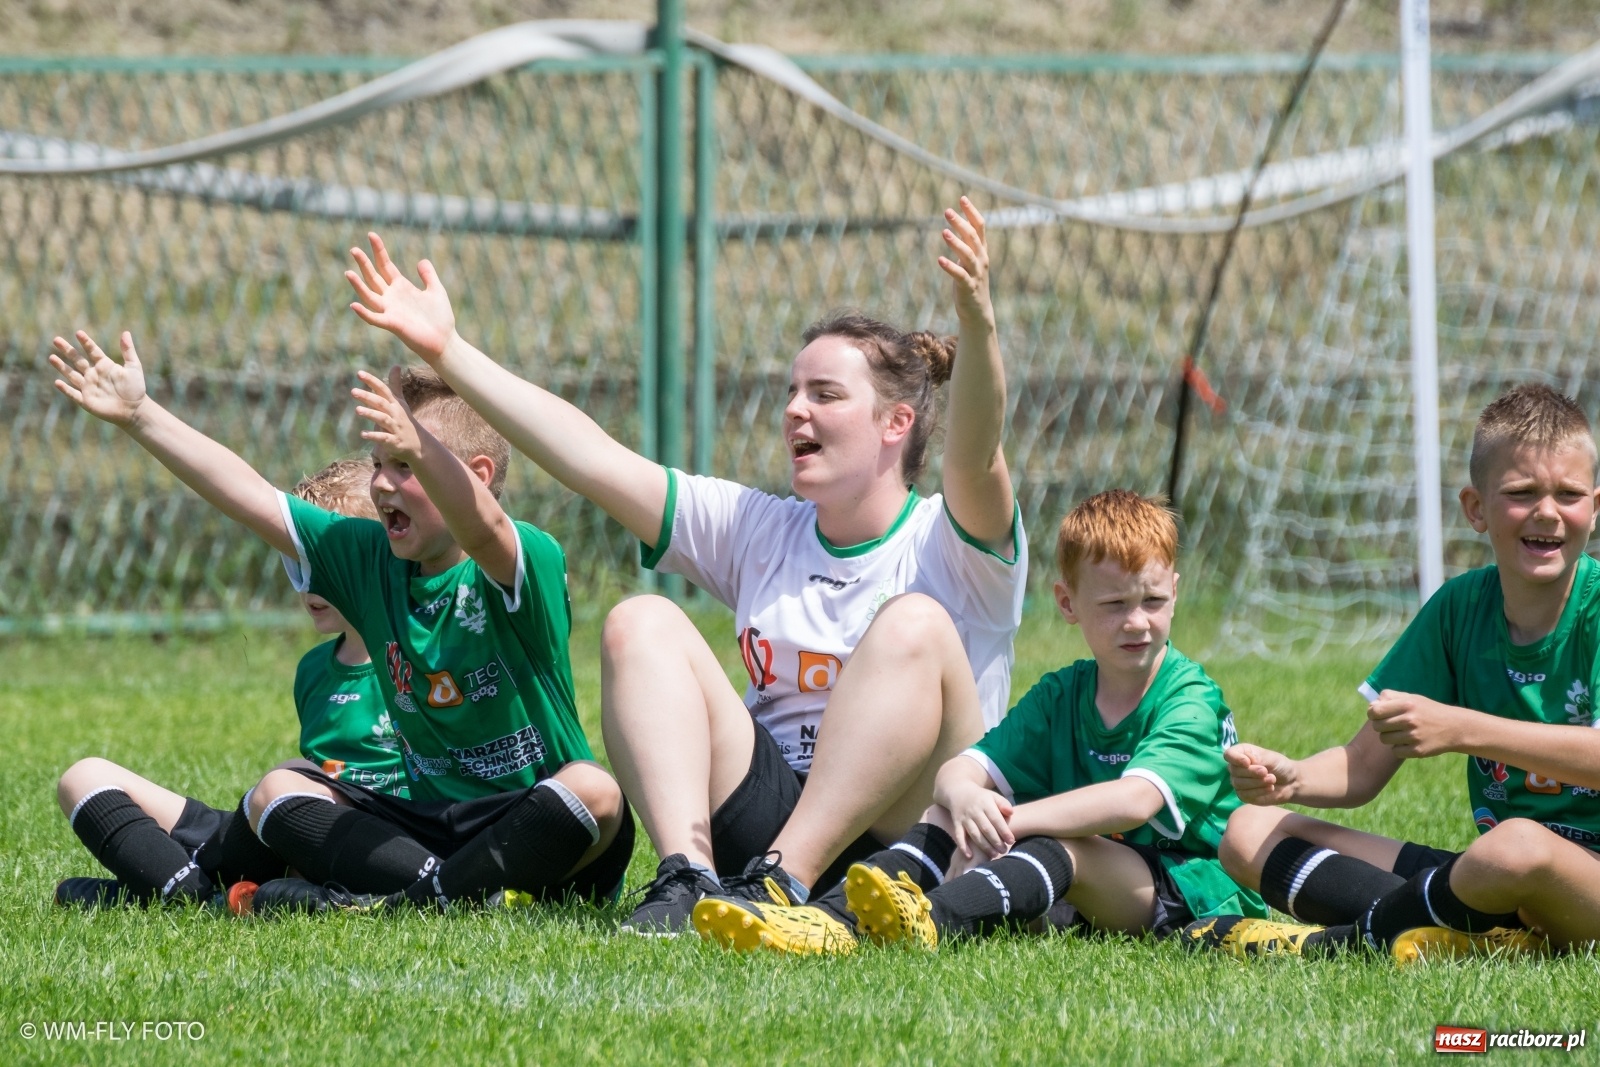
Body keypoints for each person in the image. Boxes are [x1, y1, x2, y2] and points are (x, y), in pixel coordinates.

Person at [341, 196, 1027, 934]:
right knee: (641, 621)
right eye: (791, 391)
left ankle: (782, 880)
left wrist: (979, 322)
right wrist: (448, 351)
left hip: (913, 833)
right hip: (768, 817)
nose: (796, 409)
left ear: (897, 423)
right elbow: (593, 458)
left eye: (824, 394)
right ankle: (685, 877)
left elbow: (979, 452)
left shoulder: (951, 543)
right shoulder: (763, 527)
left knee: (914, 625)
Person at [47, 334, 631, 914]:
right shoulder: (369, 559)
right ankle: (443, 896)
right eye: (378, 464)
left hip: (535, 824)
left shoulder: (525, 559)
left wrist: (428, 435)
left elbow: (486, 532)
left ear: (475, 475)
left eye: (404, 466)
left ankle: (417, 896)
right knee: (278, 791)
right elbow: (252, 497)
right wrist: (139, 415)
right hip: (427, 833)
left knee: (594, 790)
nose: (380, 484)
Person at [702, 489, 1264, 953]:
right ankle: (826, 921)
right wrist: (967, 796)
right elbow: (964, 769)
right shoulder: (1063, 693)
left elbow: (1133, 802)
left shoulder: (1190, 696)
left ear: (1176, 592)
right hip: (1094, 887)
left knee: (1056, 845)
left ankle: (932, 919)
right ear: (1067, 604)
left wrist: (1012, 819)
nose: (1137, 622)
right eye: (1114, 605)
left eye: (1153, 600)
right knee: (957, 810)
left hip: (1187, 890)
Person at [1189, 384, 1600, 962]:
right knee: (1249, 833)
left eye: (1569, 493)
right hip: (1491, 881)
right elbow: (1360, 769)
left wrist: (1462, 728)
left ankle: (1338, 947)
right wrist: (1293, 778)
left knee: (1519, 847)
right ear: (1476, 508)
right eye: (1521, 492)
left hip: (1573, 882)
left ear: (1596, 506)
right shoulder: (1458, 610)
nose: (1547, 512)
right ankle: (1472, 937)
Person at [52, 457, 404, 909]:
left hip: (331, 839)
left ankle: (163, 894)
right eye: (296, 560)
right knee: (82, 777)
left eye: (326, 561)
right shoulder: (315, 668)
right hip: (258, 832)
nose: (309, 580)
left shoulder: (411, 659)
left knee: (284, 790)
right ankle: (199, 893)